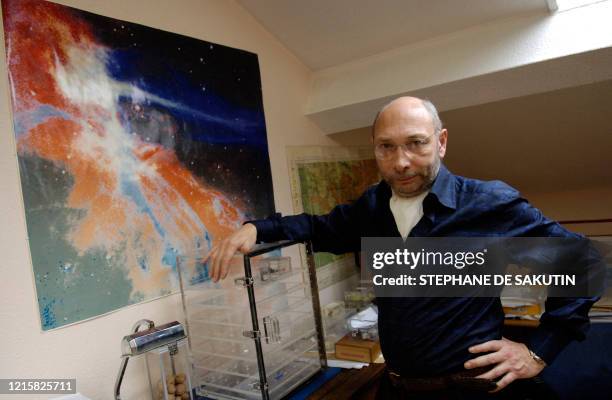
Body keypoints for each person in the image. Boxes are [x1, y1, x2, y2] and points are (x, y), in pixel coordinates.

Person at [205, 97, 597, 399]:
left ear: (441, 142)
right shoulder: (372, 207)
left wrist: (538, 351)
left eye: (416, 143)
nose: (401, 162)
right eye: (386, 147)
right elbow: (319, 227)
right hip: (397, 389)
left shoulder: (488, 203)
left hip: (475, 390)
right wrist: (258, 227)